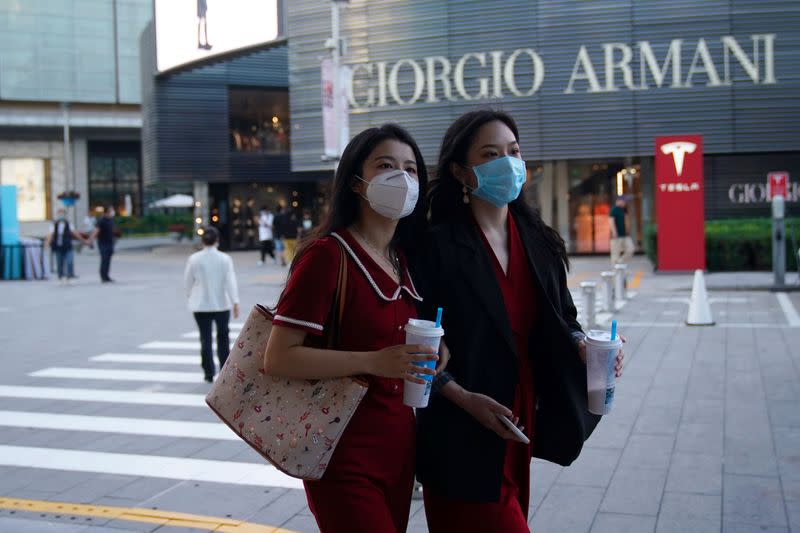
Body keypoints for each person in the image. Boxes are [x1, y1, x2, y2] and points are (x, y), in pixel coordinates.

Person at [413, 110, 624, 532]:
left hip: (521, 417)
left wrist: (583, 344)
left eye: (513, 151)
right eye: (490, 154)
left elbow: (564, 316)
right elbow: (417, 342)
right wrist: (461, 396)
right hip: (461, 428)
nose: (507, 162)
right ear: (460, 171)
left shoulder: (538, 241)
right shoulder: (434, 246)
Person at [264, 124, 441, 533]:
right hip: (340, 450)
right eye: (386, 165)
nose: (402, 177)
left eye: (411, 168)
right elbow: (279, 356)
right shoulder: (329, 256)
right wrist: (375, 362)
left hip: (398, 447)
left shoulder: (403, 260)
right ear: (357, 184)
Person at [184, 226, 240, 383]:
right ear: (218, 240)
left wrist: (190, 297)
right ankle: (223, 370)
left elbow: (188, 282)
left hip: (200, 305)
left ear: (203, 241)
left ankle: (208, 372)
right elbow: (230, 281)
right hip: (221, 304)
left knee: (205, 338)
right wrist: (235, 301)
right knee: (223, 337)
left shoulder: (194, 258)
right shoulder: (224, 258)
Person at [46, 209, 88, 284]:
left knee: (69, 261)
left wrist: (83, 240)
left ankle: (69, 275)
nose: (61, 216)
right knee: (59, 262)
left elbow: (75, 233)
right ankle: (61, 276)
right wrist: (47, 243)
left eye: (62, 214)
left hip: (67, 245)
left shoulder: (69, 224)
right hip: (58, 246)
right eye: (60, 214)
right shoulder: (54, 224)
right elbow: (50, 235)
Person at [90, 206, 116, 283]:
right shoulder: (101, 220)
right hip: (103, 243)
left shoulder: (110, 220)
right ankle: (103, 276)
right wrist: (90, 240)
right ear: (107, 212)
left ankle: (107, 276)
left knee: (108, 260)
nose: (112, 212)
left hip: (110, 243)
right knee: (104, 259)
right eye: (111, 211)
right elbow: (96, 231)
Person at [609, 196, 634, 265]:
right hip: (616, 236)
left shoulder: (624, 210)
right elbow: (611, 221)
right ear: (619, 201)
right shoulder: (614, 210)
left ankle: (619, 262)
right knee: (615, 254)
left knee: (630, 249)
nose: (625, 203)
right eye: (624, 201)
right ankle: (615, 272)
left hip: (625, 235)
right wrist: (614, 232)